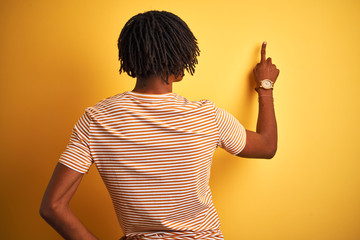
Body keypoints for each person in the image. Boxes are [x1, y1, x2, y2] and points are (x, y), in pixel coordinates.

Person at [40, 10, 279, 240]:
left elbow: (53, 206)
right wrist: (265, 85)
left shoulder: (96, 120)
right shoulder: (207, 116)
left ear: (130, 56)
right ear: (181, 55)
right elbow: (267, 146)